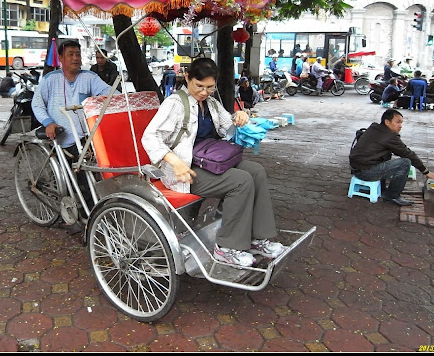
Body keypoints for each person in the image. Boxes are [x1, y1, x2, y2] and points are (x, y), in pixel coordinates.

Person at [141, 57, 285, 267]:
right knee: (241, 181)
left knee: (256, 171)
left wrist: (240, 117)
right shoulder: (175, 103)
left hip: (210, 161)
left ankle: (256, 238)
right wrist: (175, 162)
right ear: (188, 77)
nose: (204, 91)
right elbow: (150, 136)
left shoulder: (211, 103)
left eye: (209, 87)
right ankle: (226, 247)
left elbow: (228, 127)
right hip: (184, 170)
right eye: (199, 86)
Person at [32, 40, 115, 203]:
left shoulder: (89, 77)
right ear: (61, 58)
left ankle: (91, 210)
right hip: (60, 136)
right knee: (74, 178)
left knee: (92, 173)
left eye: (78, 54)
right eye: (70, 54)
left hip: (85, 136)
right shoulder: (50, 79)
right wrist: (48, 122)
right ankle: (81, 213)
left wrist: (123, 97)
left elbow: (109, 92)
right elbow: (37, 103)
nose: (75, 58)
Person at [349, 109, 434, 206]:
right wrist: (426, 172)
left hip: (357, 168)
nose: (400, 126)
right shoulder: (389, 136)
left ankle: (382, 189)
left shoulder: (375, 128)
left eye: (401, 123)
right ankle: (392, 195)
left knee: (387, 158)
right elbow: (408, 154)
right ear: (387, 122)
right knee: (405, 163)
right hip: (365, 172)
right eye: (397, 122)